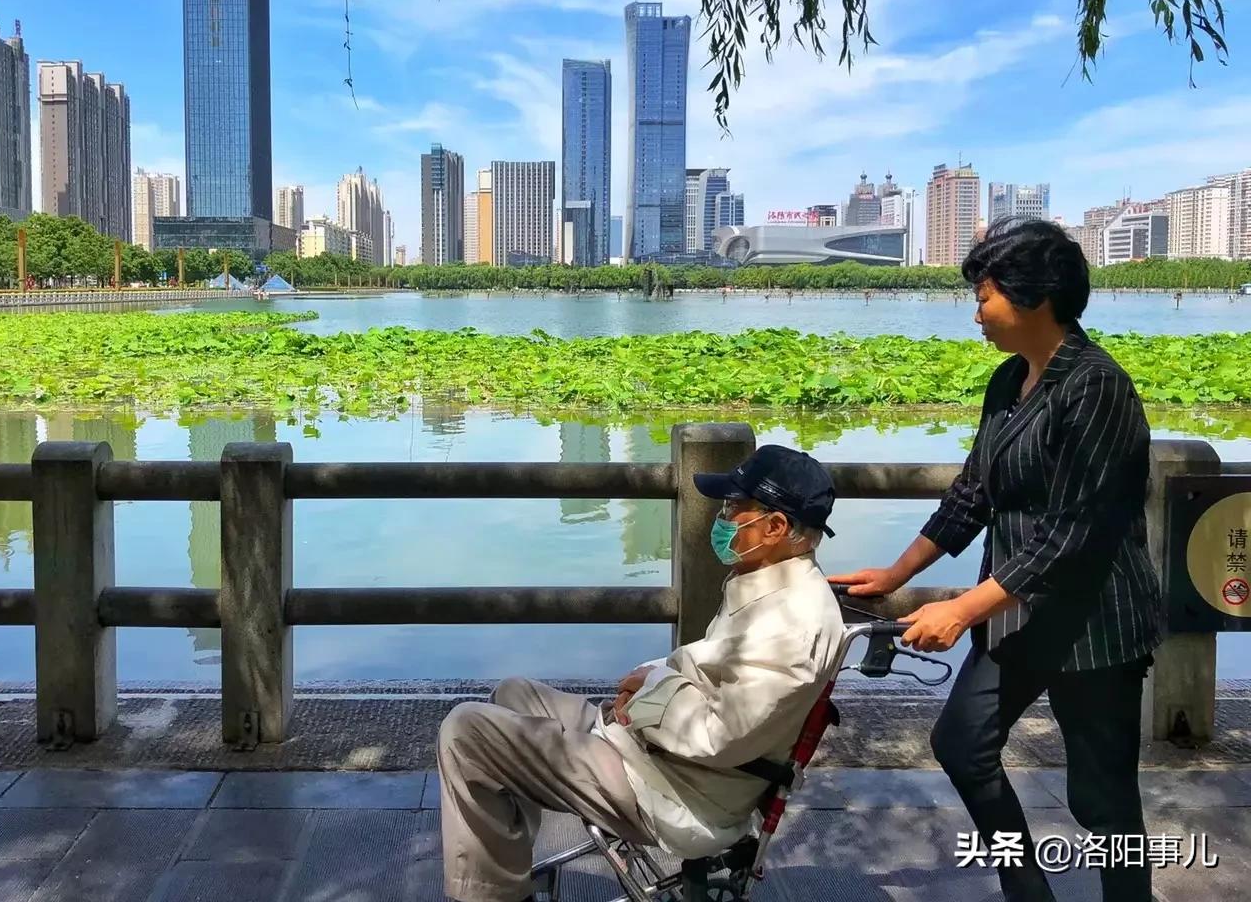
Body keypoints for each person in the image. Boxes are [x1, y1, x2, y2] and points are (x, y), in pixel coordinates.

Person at [830, 217, 1161, 902]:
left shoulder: (1096, 387)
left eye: (984, 297)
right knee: (962, 743)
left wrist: (961, 609)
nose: (976, 313)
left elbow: (1073, 534)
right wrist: (897, 574)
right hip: (1015, 612)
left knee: (1101, 800)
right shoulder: (1009, 380)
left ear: (1036, 296)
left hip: (1093, 624)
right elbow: (972, 494)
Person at [437, 445, 845, 902]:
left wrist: (652, 691)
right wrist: (653, 681)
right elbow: (712, 673)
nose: (723, 517)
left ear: (775, 527)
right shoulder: (770, 585)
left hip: (678, 792)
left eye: (734, 506)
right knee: (514, 694)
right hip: (661, 757)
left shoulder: (791, 625)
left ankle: (494, 895)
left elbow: (723, 735)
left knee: (465, 732)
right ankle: (504, 870)